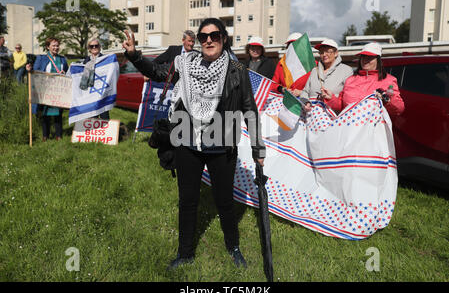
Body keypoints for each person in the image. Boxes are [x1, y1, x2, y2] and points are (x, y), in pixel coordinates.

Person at [122, 18, 266, 271]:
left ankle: (233, 247)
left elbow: (248, 109)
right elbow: (157, 72)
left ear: (224, 39)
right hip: (187, 141)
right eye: (203, 37)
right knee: (188, 201)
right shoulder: (186, 64)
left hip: (222, 144)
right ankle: (185, 253)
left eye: (215, 35)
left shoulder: (237, 70)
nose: (208, 40)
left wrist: (258, 147)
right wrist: (134, 55)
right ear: (198, 41)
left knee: (224, 201)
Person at [320, 42, 404, 117]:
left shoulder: (388, 80)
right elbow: (342, 105)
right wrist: (331, 98)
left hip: (374, 130)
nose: (365, 60)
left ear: (378, 60)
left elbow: (399, 109)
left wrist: (387, 100)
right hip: (351, 128)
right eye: (363, 57)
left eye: (369, 57)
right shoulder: (350, 80)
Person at [26, 37, 68, 141]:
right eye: (53, 45)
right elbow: (35, 72)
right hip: (45, 90)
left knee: (58, 112)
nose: (56, 47)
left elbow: (68, 73)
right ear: (47, 47)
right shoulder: (41, 58)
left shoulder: (62, 59)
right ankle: (45, 135)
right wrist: (30, 69)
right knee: (45, 113)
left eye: (57, 45)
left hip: (58, 90)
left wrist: (65, 74)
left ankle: (58, 135)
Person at [300, 39, 353, 111]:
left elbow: (348, 96)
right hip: (312, 115)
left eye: (328, 51)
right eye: (321, 52)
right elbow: (305, 92)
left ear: (336, 53)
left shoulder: (347, 70)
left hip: (334, 116)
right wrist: (306, 102)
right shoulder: (314, 71)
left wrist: (331, 99)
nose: (324, 54)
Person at [80, 38, 109, 120]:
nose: (94, 47)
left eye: (96, 45)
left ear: (99, 47)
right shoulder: (86, 61)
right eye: (92, 46)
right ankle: (93, 132)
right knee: (92, 116)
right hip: (90, 93)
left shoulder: (105, 59)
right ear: (89, 48)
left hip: (102, 92)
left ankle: (105, 132)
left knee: (104, 116)